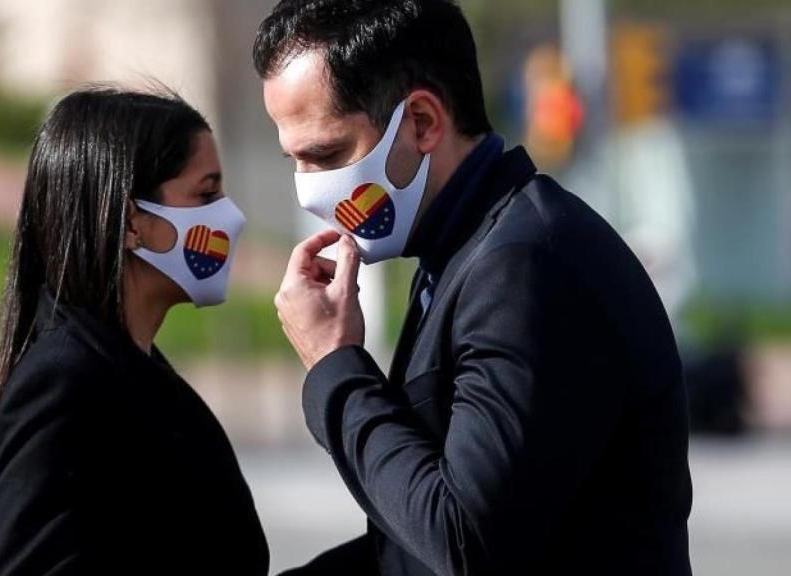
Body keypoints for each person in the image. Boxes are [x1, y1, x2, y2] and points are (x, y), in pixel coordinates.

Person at [254, 1, 693, 574]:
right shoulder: (462, 249)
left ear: (422, 122)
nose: (308, 190)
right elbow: (417, 536)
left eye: (327, 155)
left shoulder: (524, 263)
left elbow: (464, 543)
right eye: (294, 160)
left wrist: (335, 365)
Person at [0, 86, 269, 575]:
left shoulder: (135, 370)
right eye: (206, 192)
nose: (229, 216)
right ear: (133, 222)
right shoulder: (64, 384)